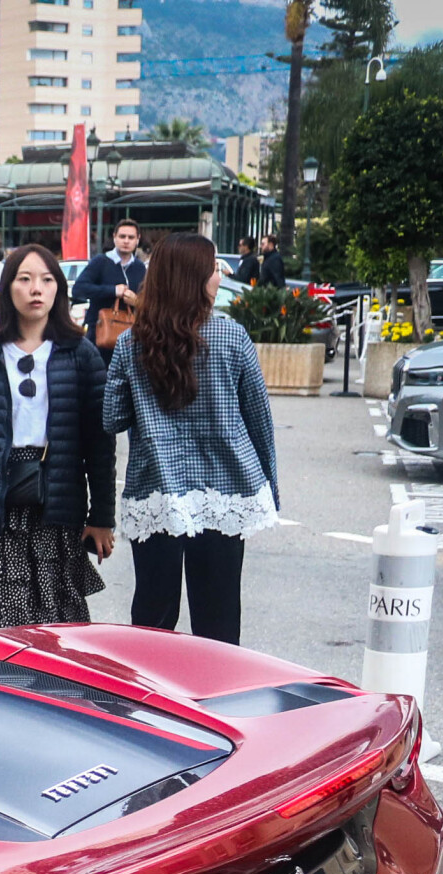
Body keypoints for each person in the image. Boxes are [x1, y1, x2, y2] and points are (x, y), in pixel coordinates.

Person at [103, 232, 278, 647]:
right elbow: (260, 423)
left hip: (156, 492)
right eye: (214, 269)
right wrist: (269, 486)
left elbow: (112, 418)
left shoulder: (132, 342)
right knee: (218, 621)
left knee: (153, 618)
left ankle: (148, 703)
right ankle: (212, 704)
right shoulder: (233, 337)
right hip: (226, 493)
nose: (219, 277)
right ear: (193, 279)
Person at [0, 245, 115, 628]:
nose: (36, 288)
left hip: (59, 505)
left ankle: (52, 691)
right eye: (25, 279)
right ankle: (0, 690)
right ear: (8, 289)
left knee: (59, 628)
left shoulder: (80, 355)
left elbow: (99, 445)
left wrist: (102, 516)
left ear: (59, 290)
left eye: (47, 280)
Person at [72, 219, 147, 338]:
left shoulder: (140, 267)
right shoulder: (100, 262)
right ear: (114, 237)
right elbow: (78, 289)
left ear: (137, 240)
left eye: (131, 237)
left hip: (130, 333)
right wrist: (112, 291)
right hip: (99, 331)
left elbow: (148, 299)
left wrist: (137, 301)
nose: (126, 241)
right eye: (122, 236)